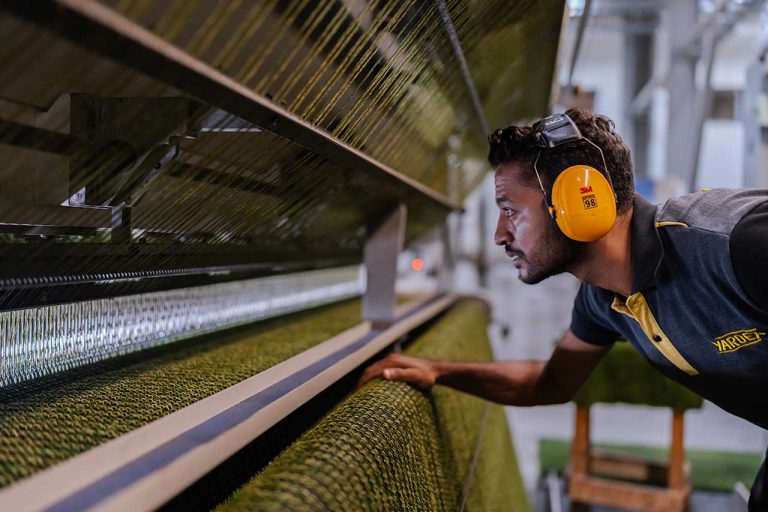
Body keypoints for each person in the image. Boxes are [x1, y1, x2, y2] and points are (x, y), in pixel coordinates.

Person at [357, 108, 768, 510]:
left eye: (510, 210)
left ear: (580, 201)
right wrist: (438, 371)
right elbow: (549, 382)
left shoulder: (735, 243)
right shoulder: (602, 300)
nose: (499, 235)